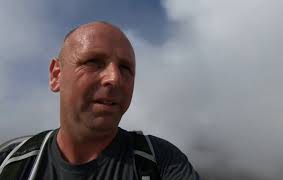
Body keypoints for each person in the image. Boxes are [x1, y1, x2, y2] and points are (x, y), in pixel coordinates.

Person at [0, 21, 200, 180]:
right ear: (56, 75)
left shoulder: (160, 160)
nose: (114, 78)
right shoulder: (11, 161)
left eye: (125, 68)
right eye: (93, 62)